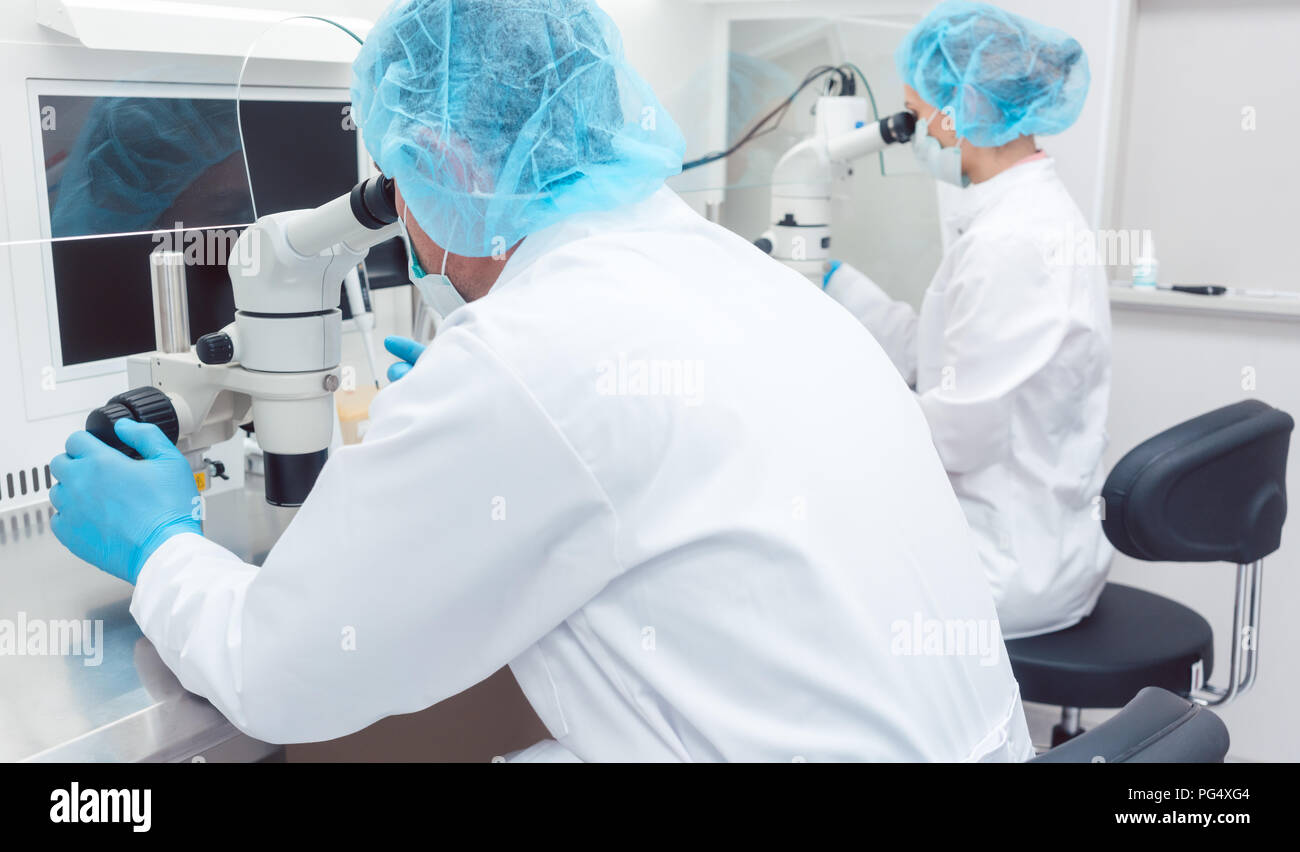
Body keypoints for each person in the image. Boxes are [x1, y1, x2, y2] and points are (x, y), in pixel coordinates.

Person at [48, 0, 1031, 762]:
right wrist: (485, 418)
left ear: (433, 161)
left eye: (395, 178)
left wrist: (160, 545)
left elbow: (282, 674)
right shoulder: (737, 278)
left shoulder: (535, 354)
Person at [823, 0, 1113, 639]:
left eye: (917, 114)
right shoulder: (1022, 218)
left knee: (810, 586)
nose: (915, 131)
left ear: (959, 115)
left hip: (1005, 568)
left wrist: (834, 415)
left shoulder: (1012, 242)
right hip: (1045, 543)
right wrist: (834, 283)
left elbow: (957, 437)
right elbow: (947, 363)